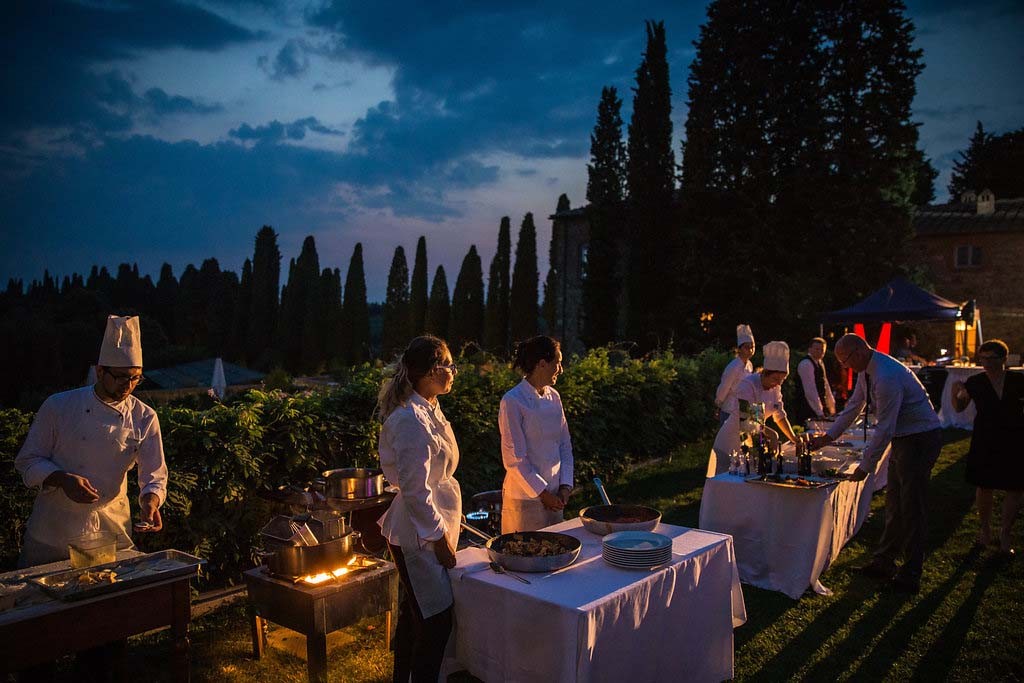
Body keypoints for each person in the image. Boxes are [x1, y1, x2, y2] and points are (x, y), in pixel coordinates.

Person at [15, 315, 167, 568]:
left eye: (135, 378)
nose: (128, 386)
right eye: (120, 377)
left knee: (110, 598)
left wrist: (150, 501)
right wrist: (62, 479)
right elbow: (27, 461)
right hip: (54, 533)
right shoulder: (59, 406)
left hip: (112, 528)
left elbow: (154, 473)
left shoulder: (145, 416)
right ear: (100, 371)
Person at [810, 334, 941, 593]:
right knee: (894, 502)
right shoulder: (867, 369)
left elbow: (885, 428)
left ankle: (911, 573)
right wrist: (828, 437)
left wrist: (866, 466)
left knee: (912, 506)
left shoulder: (886, 376)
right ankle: (884, 561)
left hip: (919, 438)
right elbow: (854, 406)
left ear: (858, 352)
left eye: (845, 361)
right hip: (905, 438)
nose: (846, 367)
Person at [376, 335, 461, 683]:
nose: (454, 371)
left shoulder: (429, 408)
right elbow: (416, 492)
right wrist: (439, 539)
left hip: (430, 524)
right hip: (417, 534)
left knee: (417, 617)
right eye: (449, 365)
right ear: (431, 370)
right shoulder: (410, 420)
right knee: (436, 621)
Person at [951, 339, 1023, 557]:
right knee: (984, 485)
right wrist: (955, 392)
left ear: (1003, 359)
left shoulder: (1018, 379)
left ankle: (1005, 533)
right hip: (986, 437)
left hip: (1015, 436)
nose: (986, 363)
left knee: (1015, 487)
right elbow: (959, 407)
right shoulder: (975, 382)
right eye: (982, 358)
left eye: (991, 358)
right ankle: (985, 530)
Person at [499, 336, 574, 533]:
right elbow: (515, 459)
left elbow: (564, 445)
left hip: (555, 496)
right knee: (525, 556)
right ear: (542, 364)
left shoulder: (554, 397)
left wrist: (565, 486)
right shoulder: (513, 401)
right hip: (525, 500)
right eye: (557, 363)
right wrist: (542, 494)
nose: (561, 369)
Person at [708, 341, 800, 477]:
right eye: (775, 379)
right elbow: (748, 419)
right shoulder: (748, 385)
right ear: (765, 373)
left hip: (751, 444)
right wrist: (772, 434)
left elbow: (780, 415)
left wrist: (793, 438)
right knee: (727, 483)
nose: (777, 384)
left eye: (782, 380)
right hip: (731, 442)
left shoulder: (775, 388)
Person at [714, 325, 755, 426]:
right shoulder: (733, 367)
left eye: (752, 347)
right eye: (746, 347)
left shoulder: (750, 365)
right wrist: (718, 405)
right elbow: (724, 387)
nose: (750, 350)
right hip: (729, 409)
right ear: (739, 349)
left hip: (743, 409)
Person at [791, 337, 836, 426]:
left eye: (822, 350)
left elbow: (825, 385)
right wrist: (819, 411)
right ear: (810, 349)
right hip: (806, 408)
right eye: (816, 349)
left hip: (819, 409)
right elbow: (810, 390)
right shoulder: (806, 364)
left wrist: (831, 408)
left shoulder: (820, 364)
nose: (820, 352)